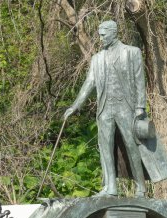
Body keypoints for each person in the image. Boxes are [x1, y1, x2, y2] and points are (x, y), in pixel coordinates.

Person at [63, 20, 146, 197]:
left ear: (113, 32)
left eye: (103, 34)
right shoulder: (97, 59)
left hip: (126, 107)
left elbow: (140, 80)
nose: (100, 39)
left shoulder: (131, 52)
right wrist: (75, 105)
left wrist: (140, 107)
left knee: (132, 146)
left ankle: (141, 187)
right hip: (105, 109)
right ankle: (111, 187)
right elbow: (89, 83)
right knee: (105, 147)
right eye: (99, 35)